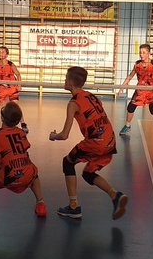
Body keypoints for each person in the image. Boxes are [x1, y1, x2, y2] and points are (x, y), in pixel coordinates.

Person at [49, 66, 128, 220]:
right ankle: (115, 195)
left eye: (66, 78)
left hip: (96, 142)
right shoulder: (91, 96)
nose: (64, 81)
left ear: (71, 82)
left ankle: (73, 207)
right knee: (88, 173)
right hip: (110, 140)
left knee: (67, 162)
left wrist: (53, 136)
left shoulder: (73, 103)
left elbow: (64, 135)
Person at [119, 43, 153, 142]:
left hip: (151, 91)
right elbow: (130, 76)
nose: (141, 54)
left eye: (144, 52)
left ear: (148, 53)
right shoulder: (137, 64)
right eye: (140, 52)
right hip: (140, 90)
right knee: (130, 107)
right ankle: (127, 125)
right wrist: (122, 87)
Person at [0, 46, 27, 134]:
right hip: (1, 88)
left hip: (12, 87)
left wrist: (19, 85)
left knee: (15, 106)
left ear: (7, 54)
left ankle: (23, 124)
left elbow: (18, 74)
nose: (1, 54)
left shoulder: (11, 64)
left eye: (3, 52)